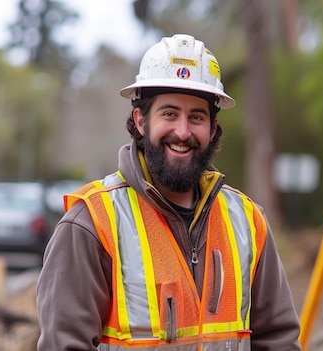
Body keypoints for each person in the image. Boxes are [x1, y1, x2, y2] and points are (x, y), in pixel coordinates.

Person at [36, 34, 302, 351]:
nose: (183, 131)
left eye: (197, 117)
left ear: (213, 128)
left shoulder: (247, 222)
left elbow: (279, 340)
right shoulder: (91, 223)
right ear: (141, 120)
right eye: (169, 114)